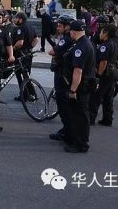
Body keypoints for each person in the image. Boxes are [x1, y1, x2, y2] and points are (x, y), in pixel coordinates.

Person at [62, 20, 96, 153]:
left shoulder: (81, 47)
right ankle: (75, 139)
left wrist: (72, 90)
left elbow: (78, 71)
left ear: (73, 32)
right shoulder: (87, 42)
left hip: (81, 87)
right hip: (85, 84)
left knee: (80, 115)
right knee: (78, 114)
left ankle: (81, 144)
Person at [48, 15, 74, 143]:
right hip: (65, 74)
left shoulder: (66, 39)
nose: (58, 27)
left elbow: (53, 52)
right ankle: (67, 130)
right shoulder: (69, 38)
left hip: (62, 75)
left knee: (63, 105)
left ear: (67, 26)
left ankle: (67, 132)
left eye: (60, 25)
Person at [89, 24, 118, 127]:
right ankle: (107, 119)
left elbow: (103, 62)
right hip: (113, 72)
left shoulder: (105, 45)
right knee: (108, 97)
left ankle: (91, 118)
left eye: (102, 32)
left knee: (96, 96)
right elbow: (117, 59)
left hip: (106, 73)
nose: (100, 34)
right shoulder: (115, 43)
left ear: (106, 33)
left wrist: (98, 75)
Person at [12, 12, 38, 100]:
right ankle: (32, 94)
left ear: (20, 19)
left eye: (16, 18)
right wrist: (30, 48)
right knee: (26, 75)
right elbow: (36, 39)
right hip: (28, 54)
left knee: (20, 75)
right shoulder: (30, 26)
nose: (14, 20)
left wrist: (12, 49)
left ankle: (23, 95)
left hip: (20, 55)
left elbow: (20, 43)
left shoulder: (21, 28)